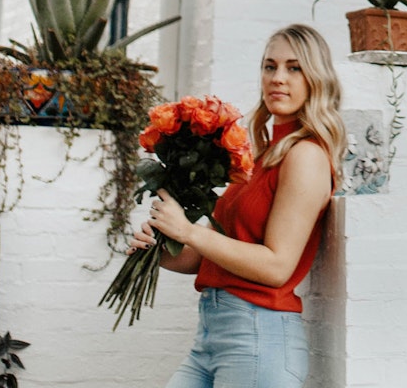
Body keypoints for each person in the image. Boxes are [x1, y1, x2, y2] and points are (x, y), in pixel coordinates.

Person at [126, 24, 346, 388]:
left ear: (316, 79)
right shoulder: (263, 158)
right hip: (213, 334)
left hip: (259, 336)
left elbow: (277, 266)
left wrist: (188, 231)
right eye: (269, 66)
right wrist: (158, 251)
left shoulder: (306, 156)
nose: (277, 78)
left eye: (294, 68)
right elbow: (207, 258)